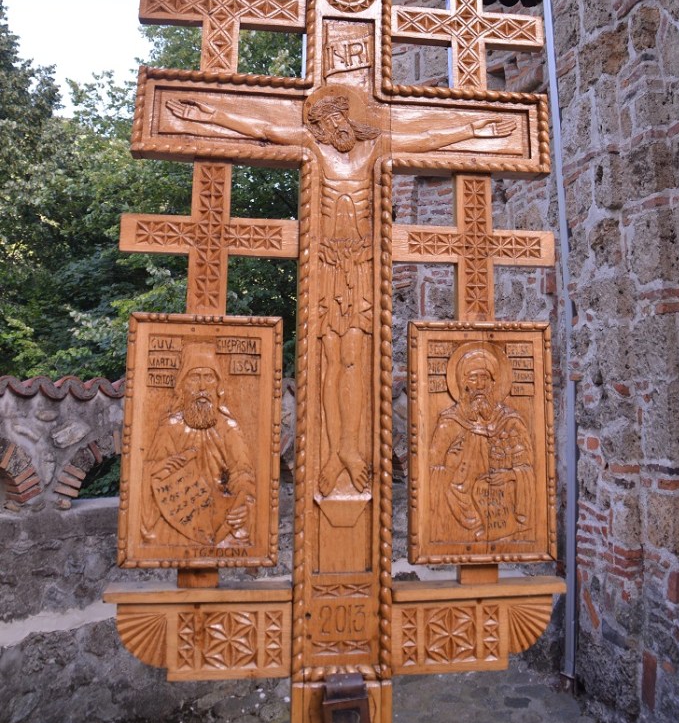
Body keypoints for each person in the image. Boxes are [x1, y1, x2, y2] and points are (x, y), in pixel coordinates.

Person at [165, 87, 516, 498]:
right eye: (325, 125)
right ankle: (334, 453)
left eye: (338, 121)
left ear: (349, 120)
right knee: (331, 365)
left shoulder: (377, 146)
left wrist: (474, 127)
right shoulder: (313, 151)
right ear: (319, 128)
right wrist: (208, 115)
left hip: (362, 268)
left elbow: (424, 139)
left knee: (358, 361)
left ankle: (352, 448)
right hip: (329, 270)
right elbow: (262, 128)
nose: (335, 130)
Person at [141, 343, 256, 548]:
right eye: (195, 377)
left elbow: (243, 474)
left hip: (219, 521)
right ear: (183, 385)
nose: (202, 387)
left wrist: (244, 500)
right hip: (180, 518)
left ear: (217, 385)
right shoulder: (170, 428)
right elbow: (148, 473)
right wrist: (160, 469)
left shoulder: (229, 428)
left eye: (208, 377)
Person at [429, 344, 534, 544]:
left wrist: (510, 475)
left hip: (501, 507)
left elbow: (528, 469)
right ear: (463, 382)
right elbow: (432, 471)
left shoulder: (509, 421)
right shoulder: (449, 422)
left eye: (484, 377)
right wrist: (452, 462)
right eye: (473, 377)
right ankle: (476, 525)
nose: (479, 385)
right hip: (460, 500)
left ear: (493, 383)